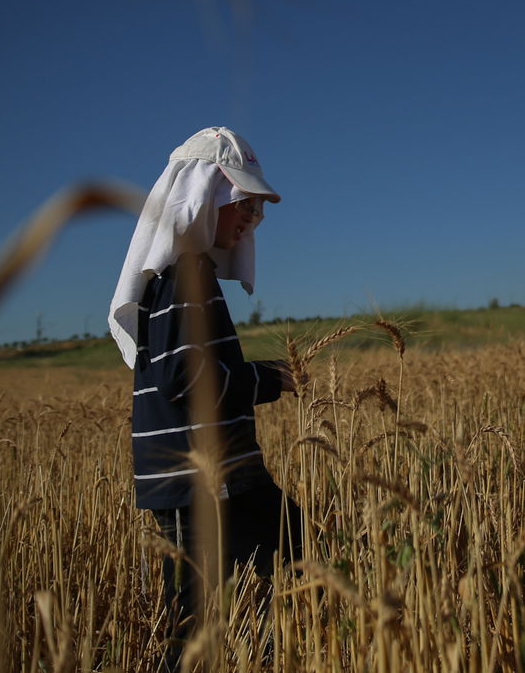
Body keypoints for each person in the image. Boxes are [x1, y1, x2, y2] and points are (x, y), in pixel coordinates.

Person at [109, 126, 303, 668]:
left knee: (287, 559)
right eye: (243, 203)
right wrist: (261, 380)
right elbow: (182, 378)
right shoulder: (184, 276)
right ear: (201, 197)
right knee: (198, 622)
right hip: (198, 483)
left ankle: (269, 654)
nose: (251, 218)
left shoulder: (186, 276)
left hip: (218, 475)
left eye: (258, 209)